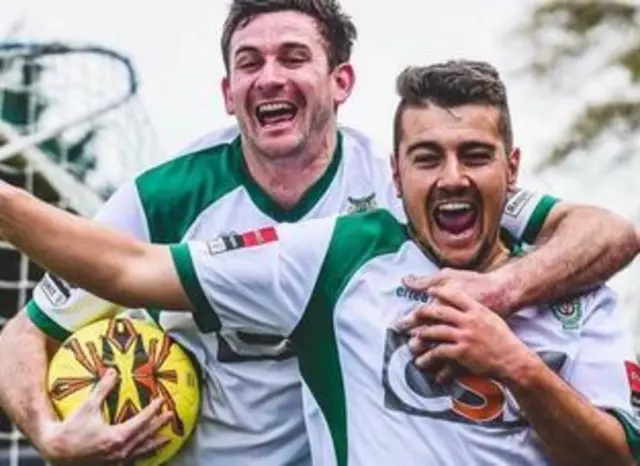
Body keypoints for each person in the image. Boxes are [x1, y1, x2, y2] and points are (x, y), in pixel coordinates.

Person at [0, 0, 637, 464]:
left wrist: (496, 298)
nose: (270, 77)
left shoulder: (407, 187)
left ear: (341, 82)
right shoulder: (167, 201)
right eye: (249, 62)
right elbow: (41, 323)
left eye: (294, 57)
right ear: (229, 92)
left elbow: (605, 232)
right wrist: (51, 436)